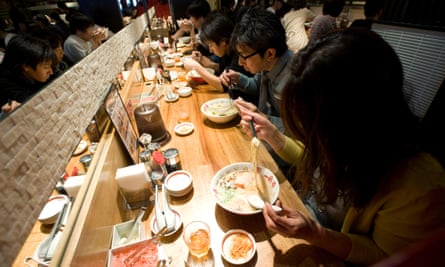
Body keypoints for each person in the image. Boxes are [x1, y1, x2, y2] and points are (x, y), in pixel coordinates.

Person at [234, 28, 445, 266]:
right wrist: (272, 134)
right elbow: (311, 161)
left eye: (314, 130)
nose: (311, 138)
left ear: (355, 121)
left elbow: (383, 255)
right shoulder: (339, 139)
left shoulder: (418, 187)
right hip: (308, 216)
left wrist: (315, 233)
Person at [221, 8, 294, 132]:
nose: (239, 62)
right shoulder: (269, 64)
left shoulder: (296, 79)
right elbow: (257, 85)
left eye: (244, 56)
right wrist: (238, 79)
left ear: (269, 54)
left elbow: (301, 130)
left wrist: (263, 119)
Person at [183, 11, 257, 103]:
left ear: (223, 41)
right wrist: (203, 60)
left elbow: (223, 86)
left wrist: (196, 67)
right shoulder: (227, 50)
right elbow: (222, 68)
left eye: (211, 45)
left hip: (244, 104)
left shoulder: (239, 54)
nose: (210, 50)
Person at [0, 35, 54, 109]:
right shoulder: (7, 87)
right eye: (46, 67)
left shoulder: (30, 74)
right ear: (26, 66)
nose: (51, 72)